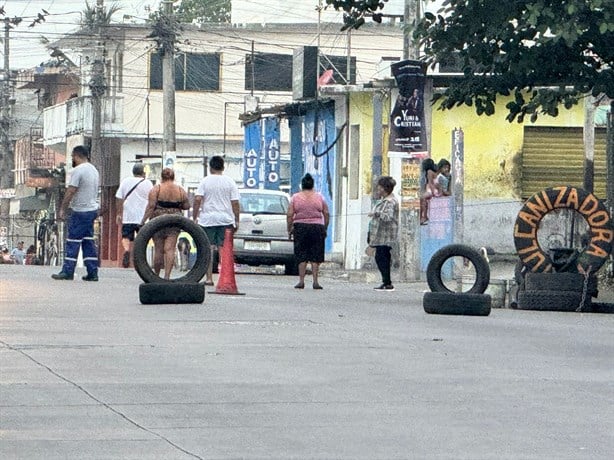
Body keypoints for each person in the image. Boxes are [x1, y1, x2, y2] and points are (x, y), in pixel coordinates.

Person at [52, 145, 100, 281]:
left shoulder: (78, 171)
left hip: (80, 211)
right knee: (88, 241)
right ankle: (92, 271)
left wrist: (62, 208)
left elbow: (71, 191)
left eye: (73, 156)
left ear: (77, 156)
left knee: (73, 240)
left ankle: (67, 271)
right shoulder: (94, 170)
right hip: (91, 210)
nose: (72, 159)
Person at [192, 155, 240, 286]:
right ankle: (223, 278)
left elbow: (197, 200)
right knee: (224, 249)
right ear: (223, 167)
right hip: (226, 219)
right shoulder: (230, 182)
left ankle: (208, 278)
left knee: (208, 249)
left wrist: (194, 216)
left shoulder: (205, 181)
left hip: (208, 220)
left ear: (210, 168)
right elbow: (235, 202)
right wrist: (237, 219)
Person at [140, 168, 190, 280]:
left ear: (161, 177)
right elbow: (187, 206)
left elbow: (151, 207)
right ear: (173, 177)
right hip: (174, 221)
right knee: (170, 249)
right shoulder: (180, 190)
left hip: (158, 221)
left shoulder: (156, 189)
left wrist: (143, 221)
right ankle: (167, 276)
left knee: (158, 249)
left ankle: (156, 276)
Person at [286, 173, 330, 290]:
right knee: (315, 255)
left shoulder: (295, 197)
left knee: (301, 255)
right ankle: (315, 281)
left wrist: (289, 228)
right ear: (312, 185)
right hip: (317, 227)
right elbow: (326, 213)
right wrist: (324, 228)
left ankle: (301, 281)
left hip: (300, 227)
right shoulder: (320, 197)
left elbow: (290, 214)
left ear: (302, 185)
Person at [115, 163, 154, 268]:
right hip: (142, 217)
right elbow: (152, 200)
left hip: (128, 215)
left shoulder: (126, 181)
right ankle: (139, 258)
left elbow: (119, 197)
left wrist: (119, 213)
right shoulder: (148, 183)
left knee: (126, 236)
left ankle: (127, 250)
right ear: (143, 172)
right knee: (142, 238)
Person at [368, 176, 399, 291]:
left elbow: (388, 217)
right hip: (381, 236)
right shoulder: (385, 200)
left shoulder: (390, 202)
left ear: (385, 189)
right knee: (381, 258)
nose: (378, 189)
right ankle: (386, 281)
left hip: (386, 236)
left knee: (382, 258)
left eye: (380, 187)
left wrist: (376, 213)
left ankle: (387, 282)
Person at [419, 158, 441, 225]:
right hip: (432, 190)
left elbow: (431, 183)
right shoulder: (432, 172)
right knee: (423, 200)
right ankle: (423, 216)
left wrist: (434, 193)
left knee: (421, 199)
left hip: (432, 190)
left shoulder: (429, 172)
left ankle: (423, 217)